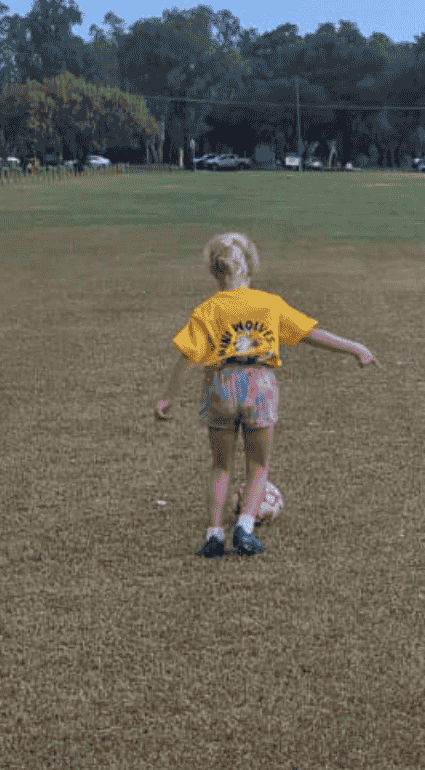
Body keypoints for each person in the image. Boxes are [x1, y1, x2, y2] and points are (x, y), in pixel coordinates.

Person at [154, 232, 376, 557]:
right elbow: (309, 334)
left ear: (215, 271)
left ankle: (214, 534)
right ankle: (245, 527)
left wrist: (167, 397)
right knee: (258, 465)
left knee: (221, 466)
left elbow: (188, 356)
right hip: (260, 385)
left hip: (223, 384)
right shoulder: (269, 304)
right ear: (252, 268)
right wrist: (354, 348)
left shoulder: (208, 310)